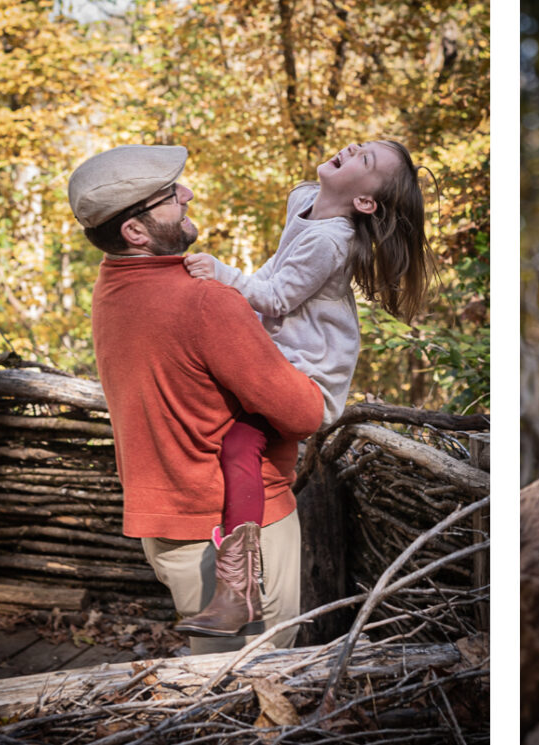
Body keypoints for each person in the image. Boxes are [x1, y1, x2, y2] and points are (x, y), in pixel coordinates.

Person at [68, 144, 325, 654]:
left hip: (168, 528)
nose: (186, 195)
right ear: (135, 231)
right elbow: (305, 413)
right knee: (251, 684)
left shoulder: (111, 290)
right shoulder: (205, 302)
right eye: (168, 195)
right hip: (237, 532)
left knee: (217, 677)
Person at [176, 140, 433, 636]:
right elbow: (276, 268)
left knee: (238, 446)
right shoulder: (302, 200)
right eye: (361, 145)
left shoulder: (333, 241)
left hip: (306, 367)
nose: (354, 147)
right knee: (232, 440)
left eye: (366, 160)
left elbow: (276, 296)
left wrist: (219, 273)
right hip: (275, 354)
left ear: (365, 204)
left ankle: (238, 593)